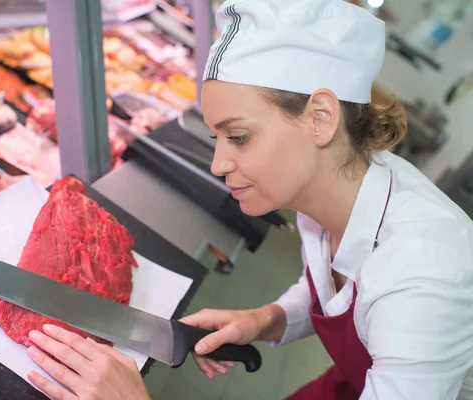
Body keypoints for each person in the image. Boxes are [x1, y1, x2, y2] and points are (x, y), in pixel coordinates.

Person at [24, 0, 473, 398]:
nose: (218, 164)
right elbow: (331, 282)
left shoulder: (423, 280)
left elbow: (382, 294)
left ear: (320, 118)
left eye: (238, 136)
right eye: (217, 136)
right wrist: (267, 319)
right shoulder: (340, 184)